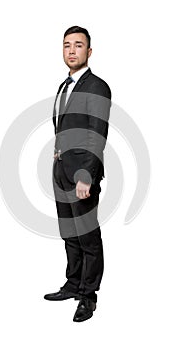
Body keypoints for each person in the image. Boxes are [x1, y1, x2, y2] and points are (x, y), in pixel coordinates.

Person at [44, 26, 112, 322]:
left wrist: (86, 175)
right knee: (69, 234)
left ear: (89, 51)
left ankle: (88, 296)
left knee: (87, 237)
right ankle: (73, 284)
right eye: (67, 45)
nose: (72, 50)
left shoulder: (97, 86)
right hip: (61, 171)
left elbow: (97, 134)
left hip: (82, 175)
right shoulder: (64, 85)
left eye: (78, 45)